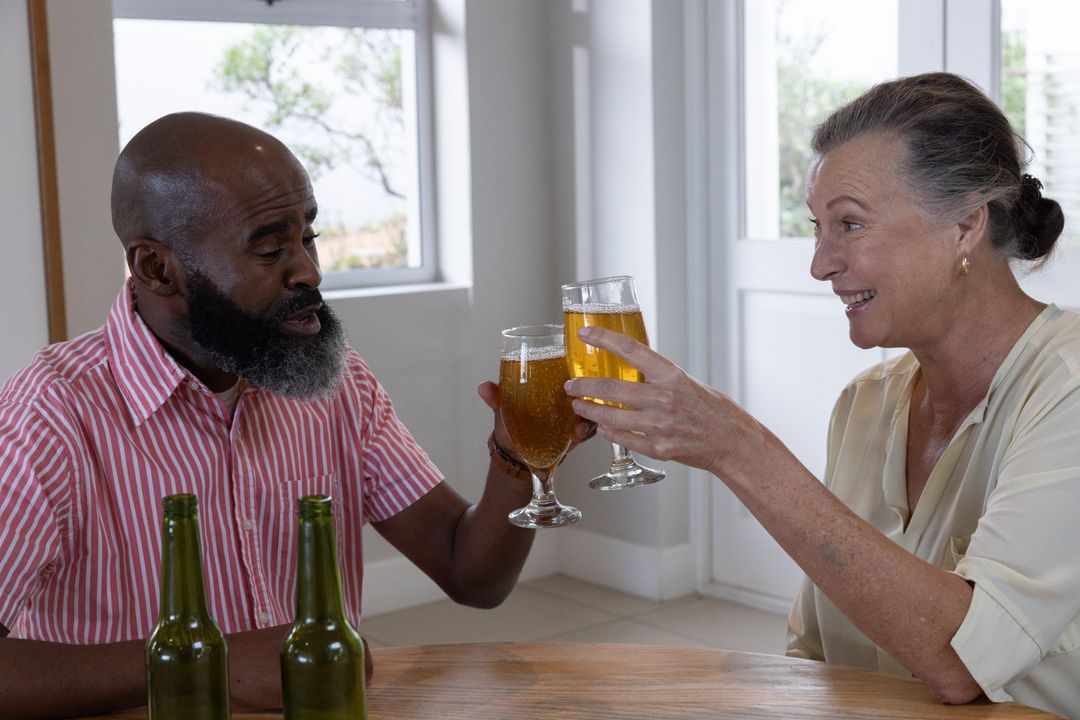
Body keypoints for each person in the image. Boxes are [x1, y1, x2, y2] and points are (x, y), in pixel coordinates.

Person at [0, 112, 590, 718]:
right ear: (156, 269)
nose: (309, 271)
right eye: (269, 248)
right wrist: (209, 662)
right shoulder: (49, 416)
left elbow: (474, 576)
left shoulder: (335, 381)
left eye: (308, 237)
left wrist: (518, 457)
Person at [565, 72, 1078, 716]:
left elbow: (961, 664)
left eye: (851, 225)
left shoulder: (1069, 388)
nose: (820, 264)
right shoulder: (867, 403)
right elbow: (813, 654)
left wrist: (738, 448)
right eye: (817, 227)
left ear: (966, 224)